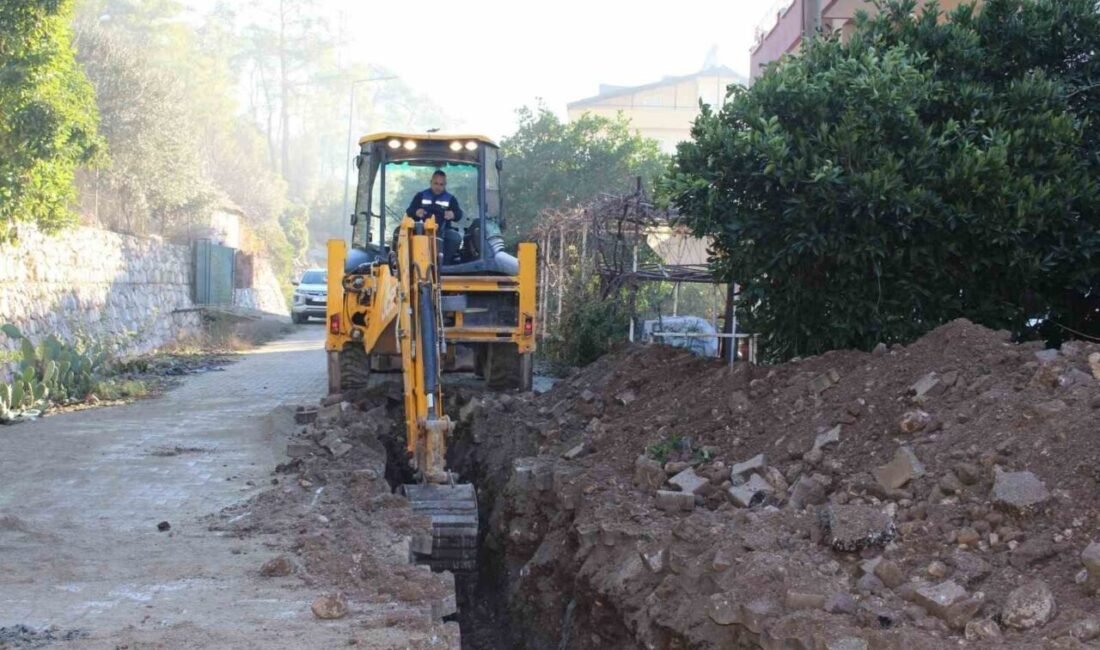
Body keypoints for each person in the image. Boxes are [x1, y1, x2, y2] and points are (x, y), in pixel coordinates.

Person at [405, 170, 464, 262]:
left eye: (441, 184)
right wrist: (416, 212)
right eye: (436, 183)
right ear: (431, 182)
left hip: (443, 229)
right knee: (401, 233)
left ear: (445, 185)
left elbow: (459, 214)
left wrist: (453, 214)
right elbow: (409, 211)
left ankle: (444, 263)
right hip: (421, 229)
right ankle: (410, 261)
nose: (438, 187)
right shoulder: (420, 196)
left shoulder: (450, 199)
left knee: (455, 238)